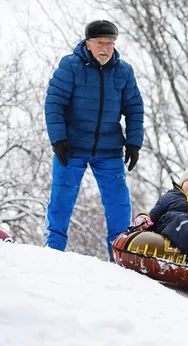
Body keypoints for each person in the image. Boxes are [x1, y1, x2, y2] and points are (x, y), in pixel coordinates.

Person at [44, 20, 144, 259]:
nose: (105, 48)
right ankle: (53, 253)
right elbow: (54, 103)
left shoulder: (123, 71)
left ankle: (120, 256)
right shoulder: (70, 66)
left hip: (109, 149)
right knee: (61, 199)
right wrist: (58, 139)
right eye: (100, 42)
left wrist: (133, 142)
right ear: (88, 43)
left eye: (110, 43)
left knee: (119, 203)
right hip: (72, 147)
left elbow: (134, 107)